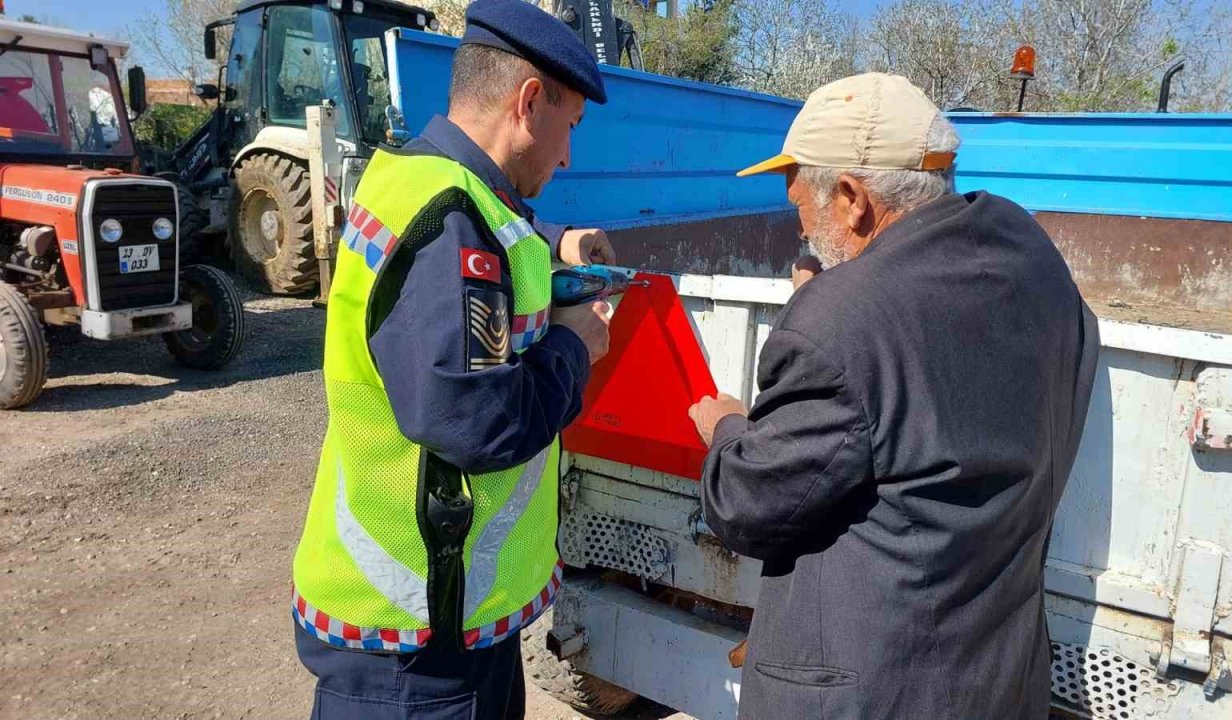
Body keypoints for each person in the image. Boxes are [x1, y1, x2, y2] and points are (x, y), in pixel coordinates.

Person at [688, 73, 1100, 719]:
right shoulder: (1032, 258)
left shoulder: (844, 322)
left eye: (802, 212)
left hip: (874, 696)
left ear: (853, 197)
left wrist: (728, 427)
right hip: (999, 686)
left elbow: (746, 506)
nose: (806, 237)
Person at [289, 1, 616, 717]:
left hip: (444, 625)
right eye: (570, 131)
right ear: (530, 102)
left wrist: (561, 242)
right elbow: (476, 424)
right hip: (412, 650)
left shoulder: (422, 176)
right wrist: (573, 345)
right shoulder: (450, 229)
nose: (566, 157)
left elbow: (501, 221)